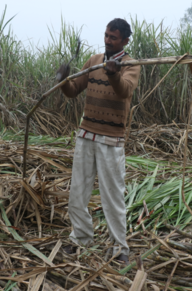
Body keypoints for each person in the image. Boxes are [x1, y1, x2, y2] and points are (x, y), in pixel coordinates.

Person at [56, 18, 140, 264]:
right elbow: (73, 91)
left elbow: (124, 90)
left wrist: (113, 74)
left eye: (113, 37)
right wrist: (63, 80)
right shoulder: (94, 61)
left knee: (112, 196)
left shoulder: (130, 65)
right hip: (86, 135)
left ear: (125, 40)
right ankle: (80, 238)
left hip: (111, 140)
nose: (107, 40)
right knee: (77, 193)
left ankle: (120, 248)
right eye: (106, 35)